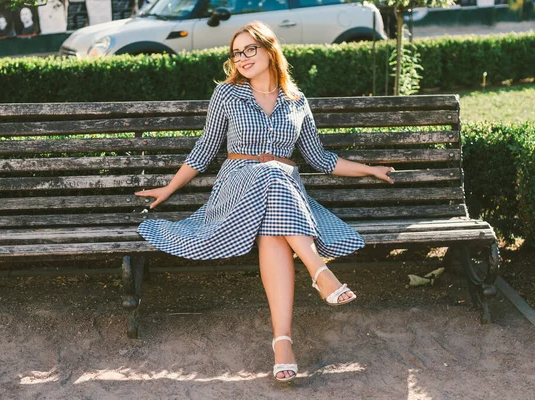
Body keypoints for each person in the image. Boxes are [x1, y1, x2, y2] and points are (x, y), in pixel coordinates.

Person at [135, 21, 394, 383]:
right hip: (238, 187)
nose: (241, 58)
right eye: (236, 53)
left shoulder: (297, 101)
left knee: (274, 218)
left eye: (249, 50)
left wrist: (369, 169)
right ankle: (320, 272)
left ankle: (283, 343)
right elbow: (205, 150)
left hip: (282, 194)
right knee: (272, 172)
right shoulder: (227, 96)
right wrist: (167, 189)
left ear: (270, 50)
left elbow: (319, 159)